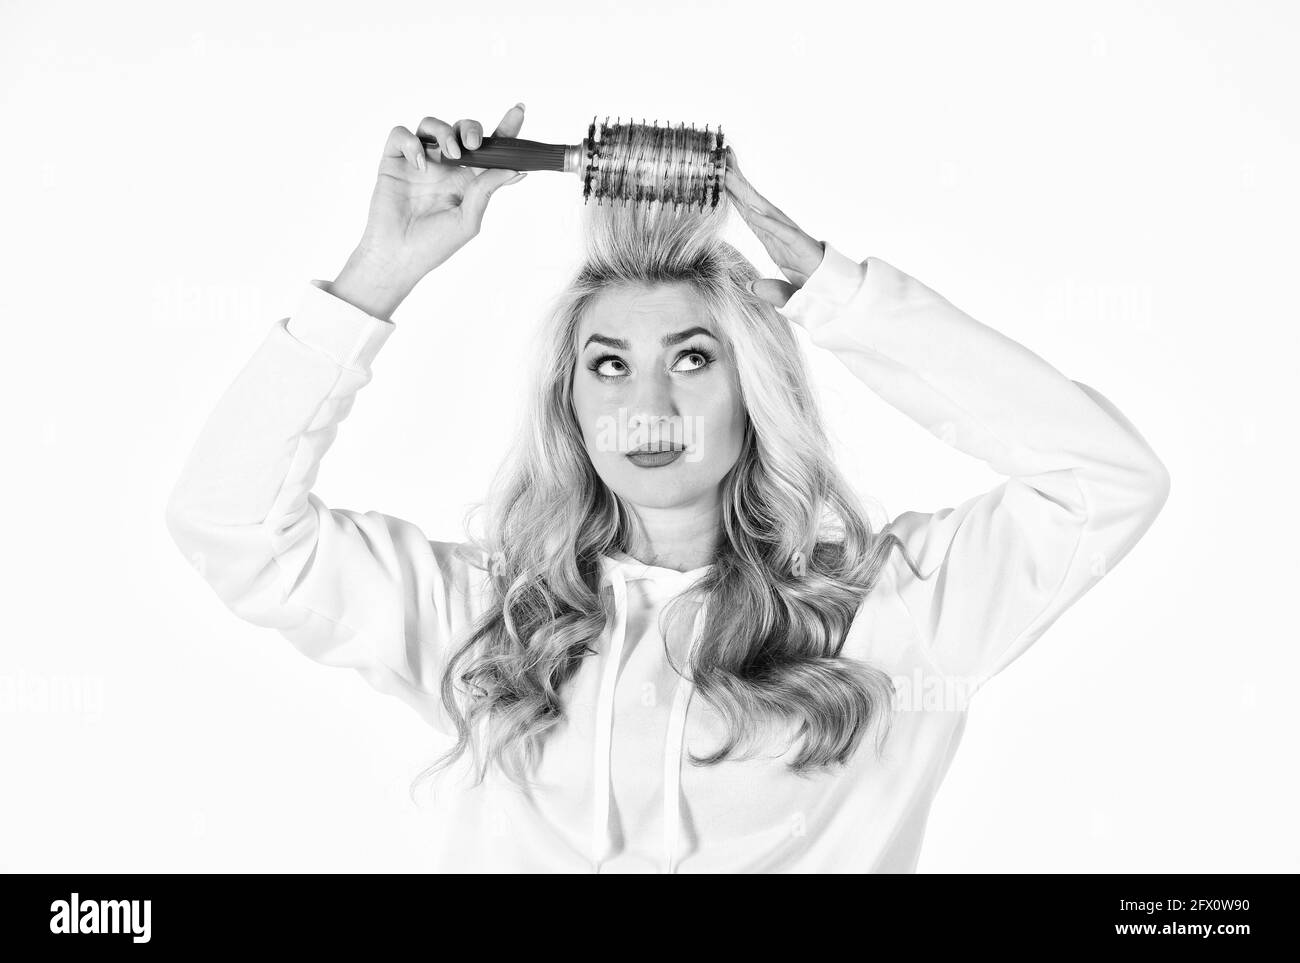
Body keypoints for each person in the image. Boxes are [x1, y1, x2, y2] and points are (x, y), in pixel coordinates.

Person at [165, 103, 1171, 873]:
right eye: (607, 364)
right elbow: (229, 523)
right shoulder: (485, 623)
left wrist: (836, 291)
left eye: (691, 358)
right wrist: (375, 276)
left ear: (754, 387)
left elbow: (1104, 480)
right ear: (572, 406)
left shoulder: (895, 615)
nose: (645, 401)